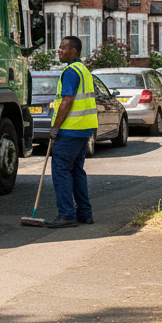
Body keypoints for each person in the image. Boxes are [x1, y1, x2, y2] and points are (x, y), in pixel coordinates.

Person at [47, 35, 97, 228]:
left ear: (73, 51)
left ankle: (67, 214)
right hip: (84, 129)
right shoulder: (83, 70)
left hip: (69, 131)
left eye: (63, 47)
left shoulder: (70, 71)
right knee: (76, 171)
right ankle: (84, 213)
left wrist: (55, 127)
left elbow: (67, 101)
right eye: (59, 47)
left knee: (61, 170)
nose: (59, 50)